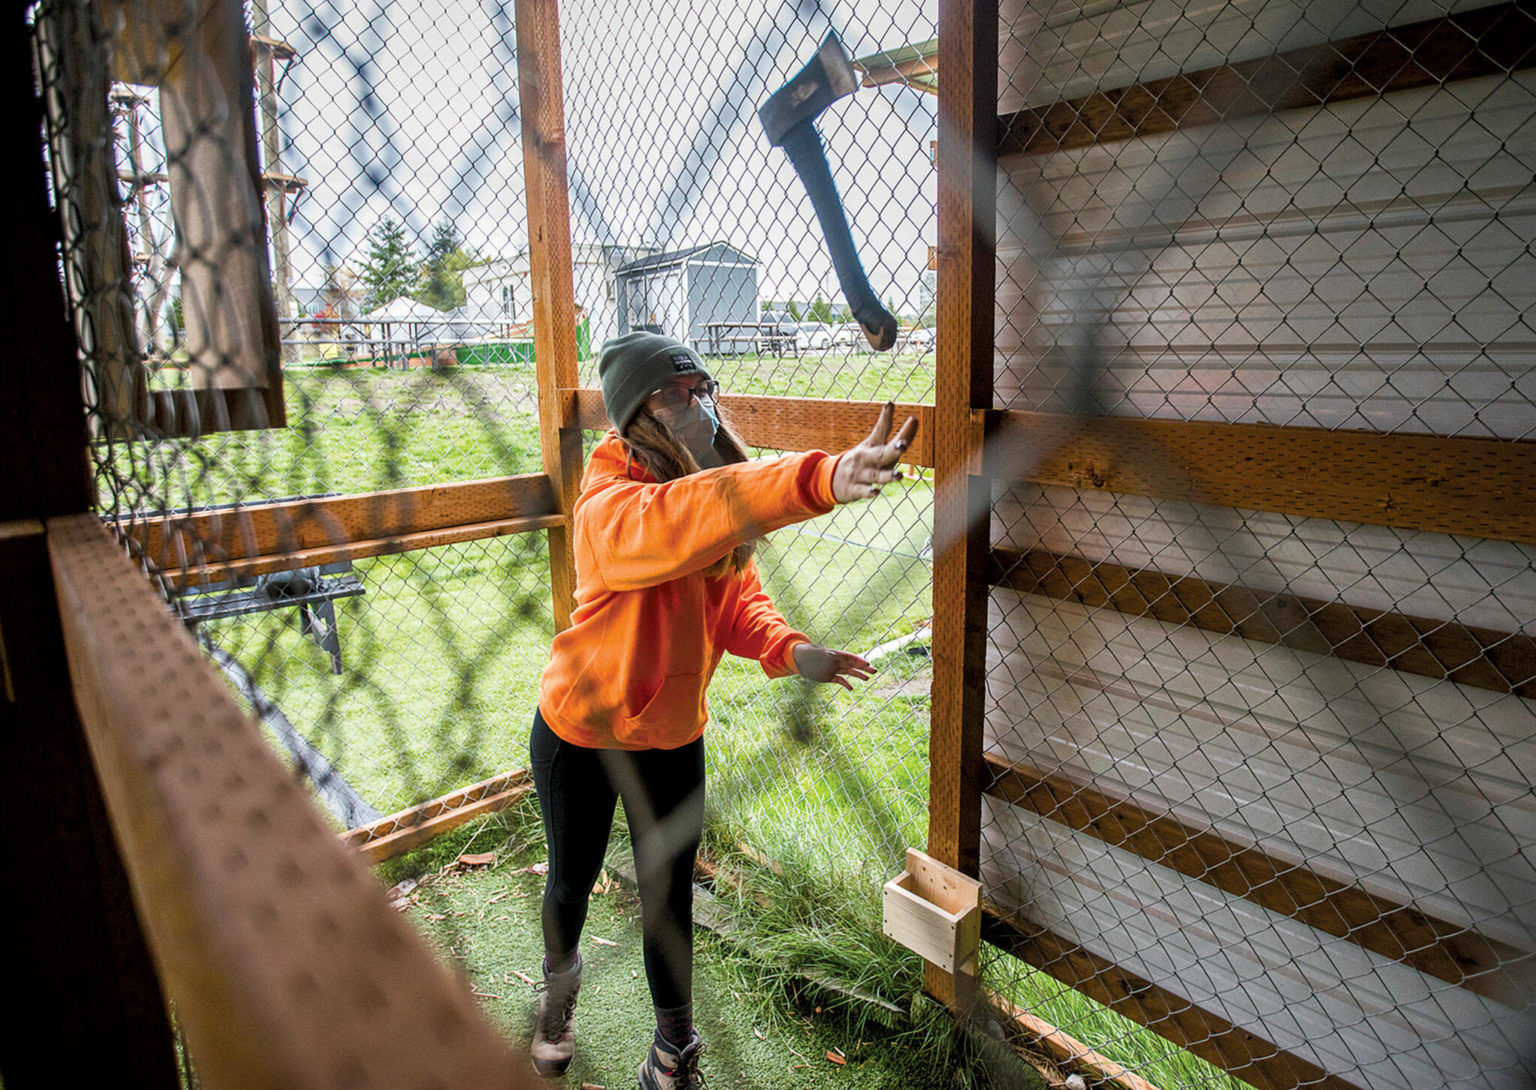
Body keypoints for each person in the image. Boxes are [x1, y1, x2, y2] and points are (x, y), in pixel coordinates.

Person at [528, 331, 917, 1088]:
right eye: (676, 392)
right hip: (582, 732)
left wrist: (793, 650)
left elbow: (739, 602)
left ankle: (675, 1052)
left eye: (702, 387)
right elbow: (679, 519)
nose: (698, 402)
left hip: (671, 737)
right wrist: (822, 475)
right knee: (570, 884)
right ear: (637, 411)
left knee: (669, 898)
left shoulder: (711, 490)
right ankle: (559, 1000)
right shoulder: (609, 505)